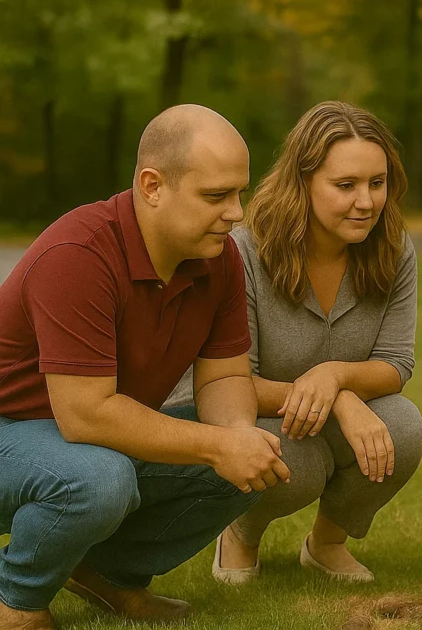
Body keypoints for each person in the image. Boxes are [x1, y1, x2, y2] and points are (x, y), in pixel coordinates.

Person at [0, 105, 291, 630]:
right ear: (152, 186)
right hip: (15, 431)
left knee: (253, 449)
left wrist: (237, 439)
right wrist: (217, 446)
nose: (236, 214)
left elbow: (226, 377)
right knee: (99, 479)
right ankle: (15, 601)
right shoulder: (78, 254)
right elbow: (86, 416)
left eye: (239, 193)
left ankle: (107, 575)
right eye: (216, 196)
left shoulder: (219, 259)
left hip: (79, 438)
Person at [167, 100, 422, 584]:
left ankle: (327, 544)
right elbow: (229, 381)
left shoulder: (393, 249)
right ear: (303, 182)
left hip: (312, 413)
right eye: (345, 185)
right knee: (297, 461)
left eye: (377, 183)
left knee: (403, 428)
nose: (366, 202)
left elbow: (395, 363)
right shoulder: (242, 252)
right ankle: (240, 533)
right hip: (239, 415)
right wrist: (338, 399)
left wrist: (335, 377)